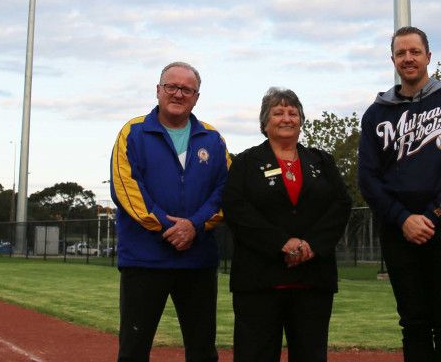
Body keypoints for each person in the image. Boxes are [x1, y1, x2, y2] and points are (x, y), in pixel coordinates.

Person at [357, 26, 441, 362]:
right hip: (399, 231)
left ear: (428, 55)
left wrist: (434, 215)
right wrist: (403, 219)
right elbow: (368, 179)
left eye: (414, 51)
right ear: (393, 60)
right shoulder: (376, 114)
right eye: (401, 53)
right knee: (412, 321)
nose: (408, 58)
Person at [109, 61, 230, 362]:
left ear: (196, 96)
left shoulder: (213, 138)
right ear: (158, 90)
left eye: (186, 89)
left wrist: (195, 225)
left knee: (202, 351)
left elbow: (226, 190)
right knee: (134, 350)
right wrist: (168, 226)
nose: (178, 94)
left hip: (197, 260)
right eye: (171, 87)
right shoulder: (133, 132)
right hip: (144, 259)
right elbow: (126, 188)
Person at [222, 87, 352, 362]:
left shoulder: (322, 161)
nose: (286, 118)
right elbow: (236, 209)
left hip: (313, 279)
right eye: (278, 112)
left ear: (301, 121)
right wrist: (281, 243)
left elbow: (341, 205)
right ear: (265, 122)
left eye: (293, 113)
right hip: (259, 282)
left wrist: (310, 246)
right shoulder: (245, 163)